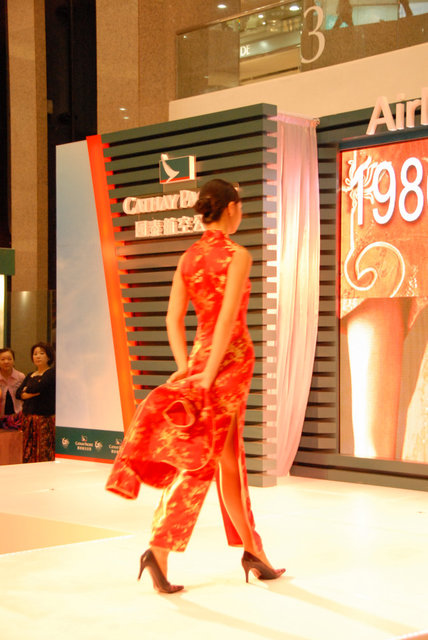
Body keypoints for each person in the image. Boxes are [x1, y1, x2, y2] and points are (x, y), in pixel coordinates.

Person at [107, 179, 284, 593]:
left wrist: (186, 366)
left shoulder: (188, 258)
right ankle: (159, 549)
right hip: (230, 363)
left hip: (204, 360)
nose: (241, 213)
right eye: (240, 206)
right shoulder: (237, 255)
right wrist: (207, 373)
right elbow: (228, 318)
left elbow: (172, 319)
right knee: (203, 459)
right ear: (231, 208)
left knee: (227, 458)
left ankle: (253, 550)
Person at [16, 342, 56, 463]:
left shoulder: (51, 373)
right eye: (35, 354)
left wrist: (26, 392)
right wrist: (30, 392)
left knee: (43, 449)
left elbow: (38, 387)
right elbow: (18, 393)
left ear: (48, 356)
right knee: (28, 450)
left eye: (41, 353)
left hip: (43, 418)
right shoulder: (30, 375)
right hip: (28, 419)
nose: (38, 356)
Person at [0, 348, 25, 420]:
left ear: (13, 360)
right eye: (2, 359)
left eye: (9, 359)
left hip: (18, 417)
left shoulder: (20, 377)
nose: (6, 362)